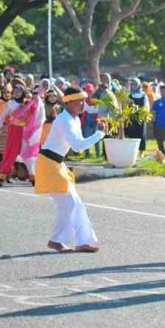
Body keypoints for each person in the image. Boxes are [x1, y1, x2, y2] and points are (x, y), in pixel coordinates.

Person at [35, 86, 108, 253]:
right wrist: (99, 135)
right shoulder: (64, 121)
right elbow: (77, 147)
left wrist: (98, 133)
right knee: (71, 204)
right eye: (79, 101)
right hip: (48, 164)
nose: (83, 104)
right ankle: (76, 241)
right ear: (69, 103)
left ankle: (62, 240)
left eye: (83, 100)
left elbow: (79, 142)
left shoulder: (73, 119)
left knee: (71, 205)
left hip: (56, 164)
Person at [125, 78, 149, 154]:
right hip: (131, 118)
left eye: (135, 84)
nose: (133, 86)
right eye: (132, 84)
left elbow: (147, 107)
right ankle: (131, 151)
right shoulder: (129, 95)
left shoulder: (143, 95)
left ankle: (140, 152)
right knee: (131, 134)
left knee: (141, 134)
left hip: (140, 118)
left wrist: (144, 115)